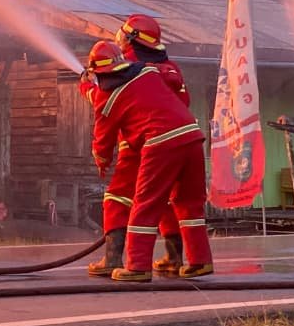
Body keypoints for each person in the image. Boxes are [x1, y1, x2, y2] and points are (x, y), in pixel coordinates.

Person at [85, 40, 212, 282]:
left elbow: (102, 141)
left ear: (96, 72)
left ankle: (137, 266)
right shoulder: (148, 70)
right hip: (192, 135)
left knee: (146, 203)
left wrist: (101, 160)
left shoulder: (108, 98)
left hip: (161, 143)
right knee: (188, 202)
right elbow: (172, 83)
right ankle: (199, 261)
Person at [115, 14, 192, 276]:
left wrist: (88, 84)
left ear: (133, 39)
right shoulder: (170, 67)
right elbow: (185, 101)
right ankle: (175, 256)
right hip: (178, 143)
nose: (120, 38)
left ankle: (131, 264)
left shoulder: (130, 69)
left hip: (141, 143)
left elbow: (107, 102)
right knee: (169, 200)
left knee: (136, 200)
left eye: (124, 33)